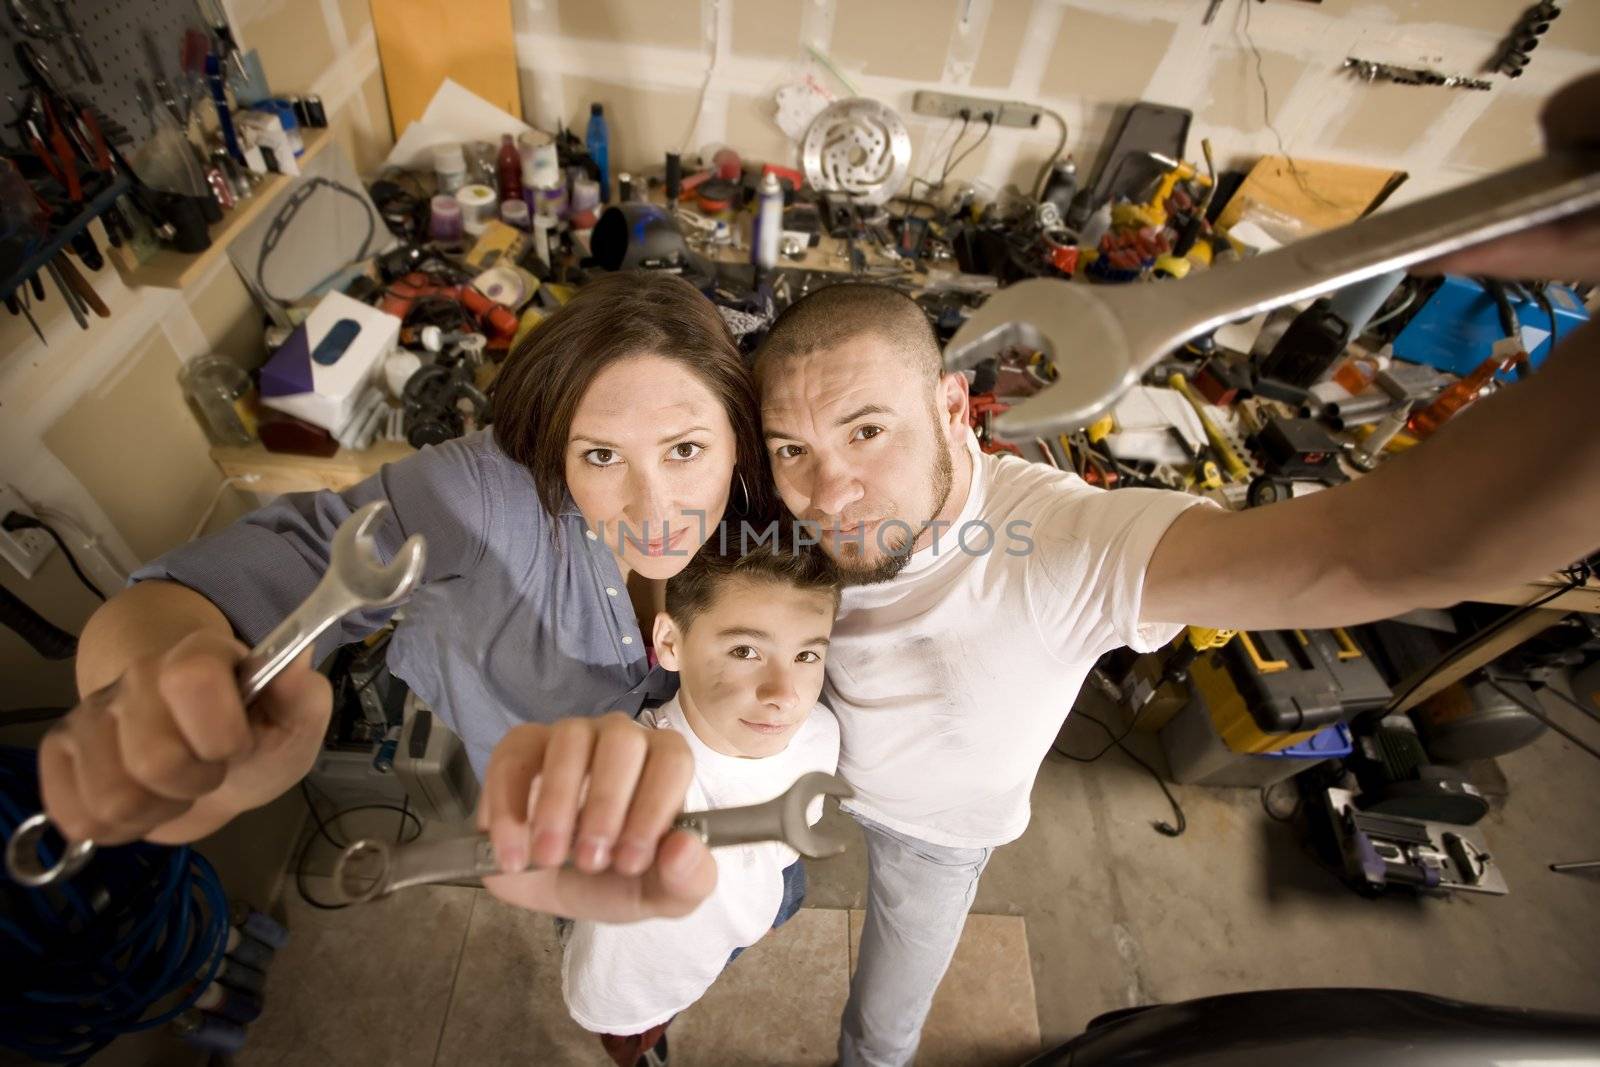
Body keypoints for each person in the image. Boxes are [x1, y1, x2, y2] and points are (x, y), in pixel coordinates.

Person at [753, 69, 1600, 1065]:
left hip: (932, 833)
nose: (827, 490)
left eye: (865, 431)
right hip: (800, 760)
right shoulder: (781, 508)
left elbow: (1367, 557)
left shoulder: (1062, 548)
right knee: (751, 892)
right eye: (791, 449)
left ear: (951, 407)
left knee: (881, 1029)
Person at [33, 270, 777, 923]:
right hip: (541, 819)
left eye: (685, 449)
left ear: (736, 438)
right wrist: (151, 691)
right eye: (601, 455)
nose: (651, 507)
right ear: (555, 449)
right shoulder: (479, 493)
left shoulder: (753, 512)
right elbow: (265, 567)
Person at [562, 530, 841, 1066]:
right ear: (670, 643)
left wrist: (762, 905)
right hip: (636, 974)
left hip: (754, 898)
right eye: (745, 651)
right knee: (634, 1029)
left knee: (786, 896)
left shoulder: (819, 732)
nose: (784, 694)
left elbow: (794, 828)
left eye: (806, 654)